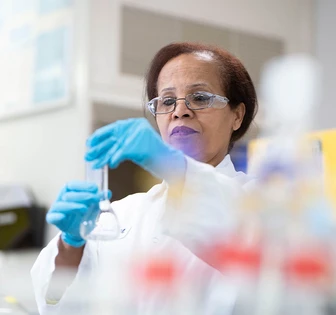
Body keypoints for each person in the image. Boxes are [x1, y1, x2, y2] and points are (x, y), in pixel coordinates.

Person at [31, 42, 258, 314]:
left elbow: (254, 254)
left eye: (200, 97)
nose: (179, 111)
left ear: (237, 115)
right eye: (167, 100)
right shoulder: (122, 215)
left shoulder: (259, 201)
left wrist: (171, 165)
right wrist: (71, 244)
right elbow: (57, 306)